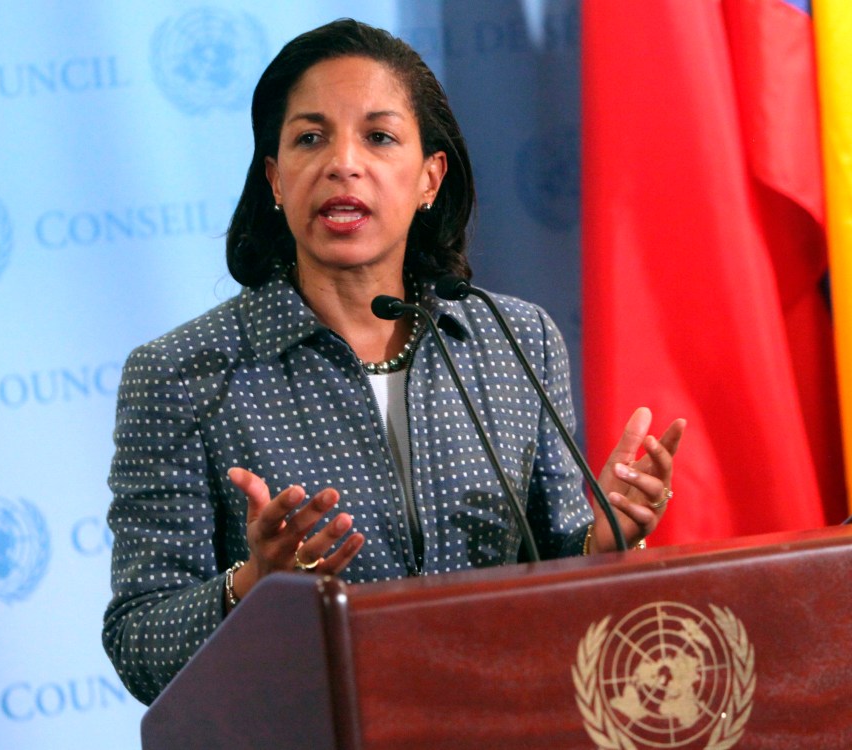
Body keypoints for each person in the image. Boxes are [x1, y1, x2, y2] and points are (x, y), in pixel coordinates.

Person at [103, 18, 684, 706]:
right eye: (310, 138)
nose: (343, 162)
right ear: (276, 179)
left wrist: (607, 539)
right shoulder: (182, 374)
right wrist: (252, 583)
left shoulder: (516, 341)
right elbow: (140, 645)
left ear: (429, 178)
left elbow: (556, 567)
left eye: (378, 137)